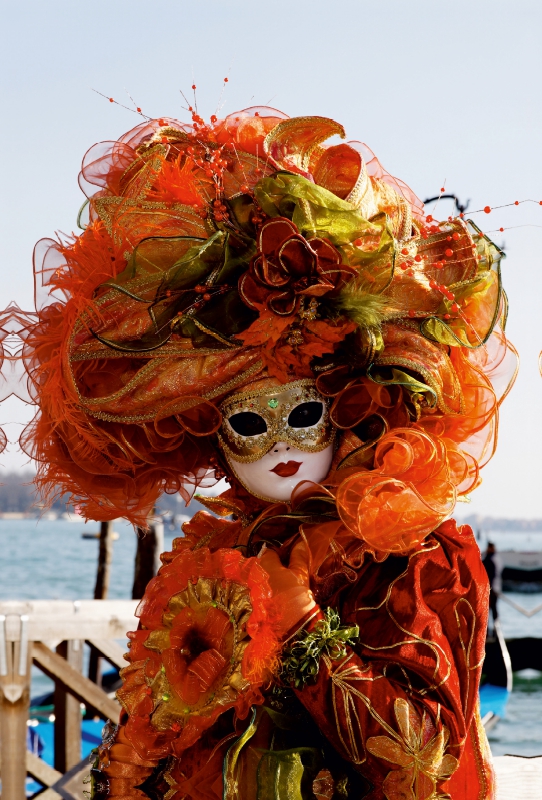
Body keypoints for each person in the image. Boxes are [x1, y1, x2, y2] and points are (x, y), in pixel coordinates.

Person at [24, 107, 518, 799]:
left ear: (352, 408)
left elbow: (424, 760)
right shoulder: (210, 556)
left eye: (305, 414)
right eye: (251, 422)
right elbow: (145, 732)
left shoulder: (411, 557)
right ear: (214, 437)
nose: (282, 446)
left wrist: (302, 626)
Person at [483, 542, 502, 636]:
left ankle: (492, 630)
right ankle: (494, 630)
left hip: (491, 590)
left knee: (490, 610)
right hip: (493, 589)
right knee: (491, 610)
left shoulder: (489, 560)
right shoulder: (494, 559)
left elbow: (492, 576)